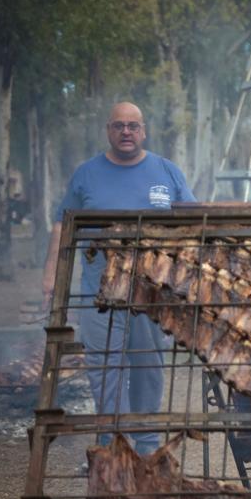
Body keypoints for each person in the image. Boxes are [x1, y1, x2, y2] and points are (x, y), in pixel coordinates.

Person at [42, 102, 196, 456]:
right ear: (108, 131)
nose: (126, 132)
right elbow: (61, 222)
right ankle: (112, 445)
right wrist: (50, 273)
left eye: (133, 126)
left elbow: (193, 222)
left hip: (154, 291)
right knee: (105, 364)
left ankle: (145, 447)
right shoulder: (86, 175)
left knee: (148, 362)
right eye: (118, 126)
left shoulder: (167, 172)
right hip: (100, 294)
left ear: (144, 131)